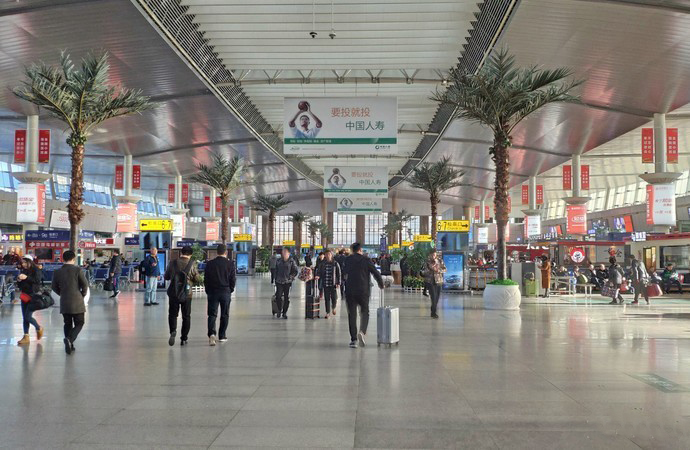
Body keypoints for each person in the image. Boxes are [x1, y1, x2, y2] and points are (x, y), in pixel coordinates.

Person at [343, 242, 384, 348]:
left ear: (352, 250)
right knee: (365, 312)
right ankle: (362, 331)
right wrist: (381, 284)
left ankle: (353, 340)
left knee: (352, 314)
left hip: (350, 291)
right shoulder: (366, 260)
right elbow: (375, 272)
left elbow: (344, 273)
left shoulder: (348, 260)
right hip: (363, 291)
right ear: (360, 250)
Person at [52, 250, 89, 355]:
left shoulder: (57, 272)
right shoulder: (78, 270)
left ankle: (70, 345)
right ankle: (69, 339)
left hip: (64, 301)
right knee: (80, 322)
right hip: (77, 300)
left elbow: (53, 287)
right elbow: (85, 285)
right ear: (73, 259)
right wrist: (82, 295)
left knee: (67, 323)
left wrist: (62, 294)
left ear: (63, 259)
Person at [165, 246, 201, 346]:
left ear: (181, 252)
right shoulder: (192, 264)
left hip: (173, 293)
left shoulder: (172, 263)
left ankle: (173, 331)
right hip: (187, 294)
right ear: (190, 254)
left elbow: (166, 276)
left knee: (172, 314)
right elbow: (197, 279)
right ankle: (184, 338)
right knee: (186, 316)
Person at [204, 244, 236, 346]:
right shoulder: (230, 264)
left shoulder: (210, 264)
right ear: (226, 252)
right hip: (225, 291)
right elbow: (233, 279)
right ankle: (222, 335)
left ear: (216, 252)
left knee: (212, 314)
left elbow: (206, 279)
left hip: (213, 292)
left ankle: (212, 334)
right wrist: (230, 289)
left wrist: (208, 290)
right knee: (225, 314)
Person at [16, 255, 43, 345]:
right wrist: (19, 281)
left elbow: (37, 281)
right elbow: (20, 285)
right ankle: (26, 336)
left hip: (33, 296)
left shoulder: (36, 270)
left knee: (28, 316)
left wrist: (26, 277)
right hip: (24, 295)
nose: (23, 264)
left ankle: (38, 328)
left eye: (24, 262)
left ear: (29, 262)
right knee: (25, 317)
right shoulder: (24, 271)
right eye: (22, 262)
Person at [315, 249, 342, 319]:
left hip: (333, 284)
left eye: (329, 254)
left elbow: (339, 274)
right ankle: (328, 313)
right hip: (325, 283)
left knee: (334, 298)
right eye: (326, 254)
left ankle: (333, 307)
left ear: (331, 255)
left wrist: (338, 282)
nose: (327, 256)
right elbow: (319, 272)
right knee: (327, 299)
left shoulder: (335, 263)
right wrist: (318, 276)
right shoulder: (322, 264)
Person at [274, 248, 299, 319]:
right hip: (279, 281)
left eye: (285, 252)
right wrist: (275, 279)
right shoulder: (278, 261)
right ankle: (279, 310)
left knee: (286, 297)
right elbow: (276, 270)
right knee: (278, 296)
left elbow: (295, 271)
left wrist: (291, 277)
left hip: (287, 282)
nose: (284, 253)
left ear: (288, 253)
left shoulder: (291, 261)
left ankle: (284, 312)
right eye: (283, 252)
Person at [424, 250, 446, 319]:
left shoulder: (440, 261)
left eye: (434, 255)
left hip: (438, 281)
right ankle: (433, 312)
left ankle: (433, 308)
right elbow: (424, 271)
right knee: (433, 297)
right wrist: (431, 269)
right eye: (432, 255)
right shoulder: (427, 262)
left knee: (437, 297)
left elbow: (445, 269)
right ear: (430, 255)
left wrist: (438, 270)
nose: (433, 256)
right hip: (430, 282)